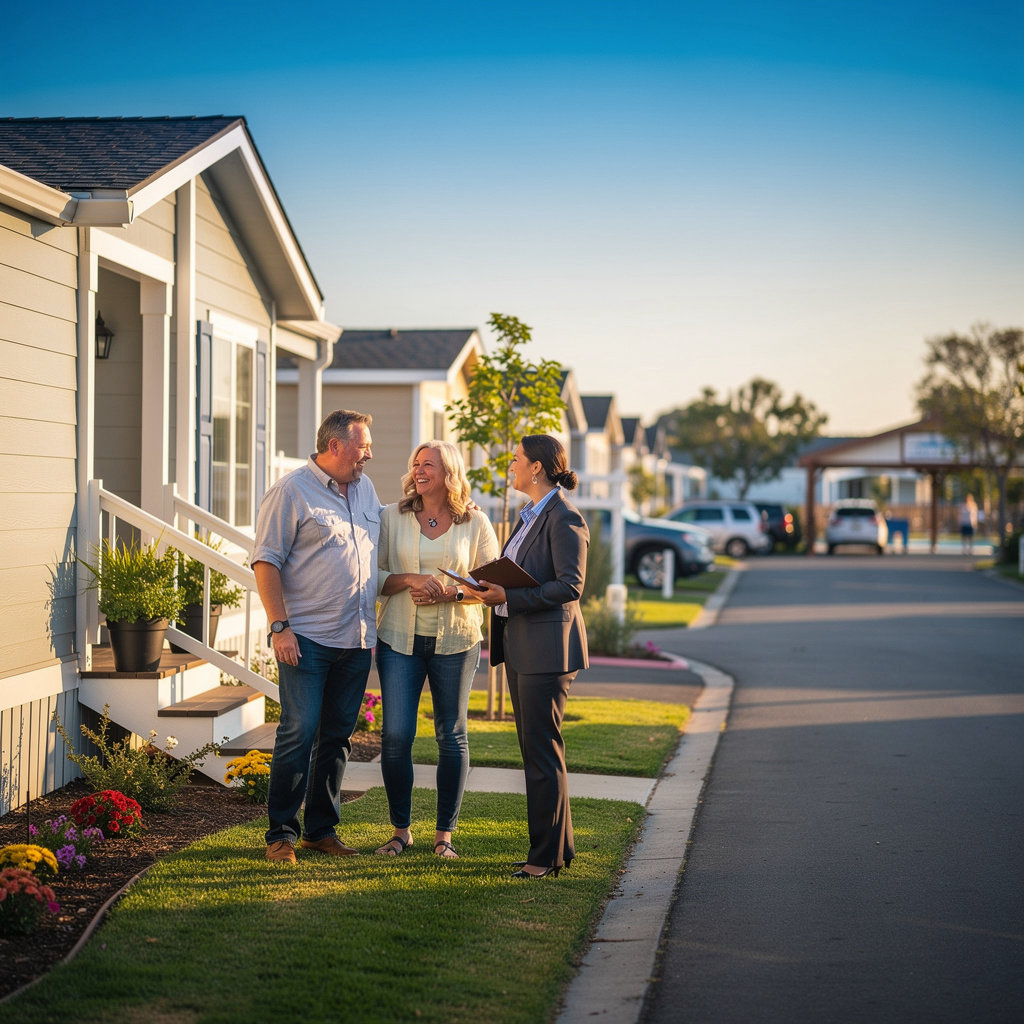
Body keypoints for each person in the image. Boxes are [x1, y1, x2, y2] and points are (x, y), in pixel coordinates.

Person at [251, 409, 379, 863]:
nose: (370, 453)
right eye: (363, 446)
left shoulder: (366, 489)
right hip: (305, 639)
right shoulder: (290, 492)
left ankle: (321, 832)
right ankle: (281, 835)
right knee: (299, 732)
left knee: (338, 738)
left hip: (357, 639)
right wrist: (279, 626)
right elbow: (266, 561)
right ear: (335, 446)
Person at [373, 441, 499, 859]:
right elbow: (374, 578)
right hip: (398, 640)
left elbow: (492, 589)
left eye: (428, 464)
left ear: (449, 472)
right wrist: (411, 579)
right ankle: (400, 831)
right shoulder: (392, 516)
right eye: (416, 463)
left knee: (452, 735)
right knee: (395, 736)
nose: (419, 470)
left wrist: (452, 594)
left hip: (456, 642)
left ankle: (444, 835)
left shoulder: (476, 523)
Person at [477, 434, 589, 879]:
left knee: (542, 754)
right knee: (538, 753)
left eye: (517, 460)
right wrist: (493, 591)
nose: (511, 465)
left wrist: (510, 595)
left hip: (548, 650)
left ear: (537, 468)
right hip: (524, 647)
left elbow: (570, 586)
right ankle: (556, 850)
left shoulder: (565, 517)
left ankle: (542, 858)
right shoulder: (529, 516)